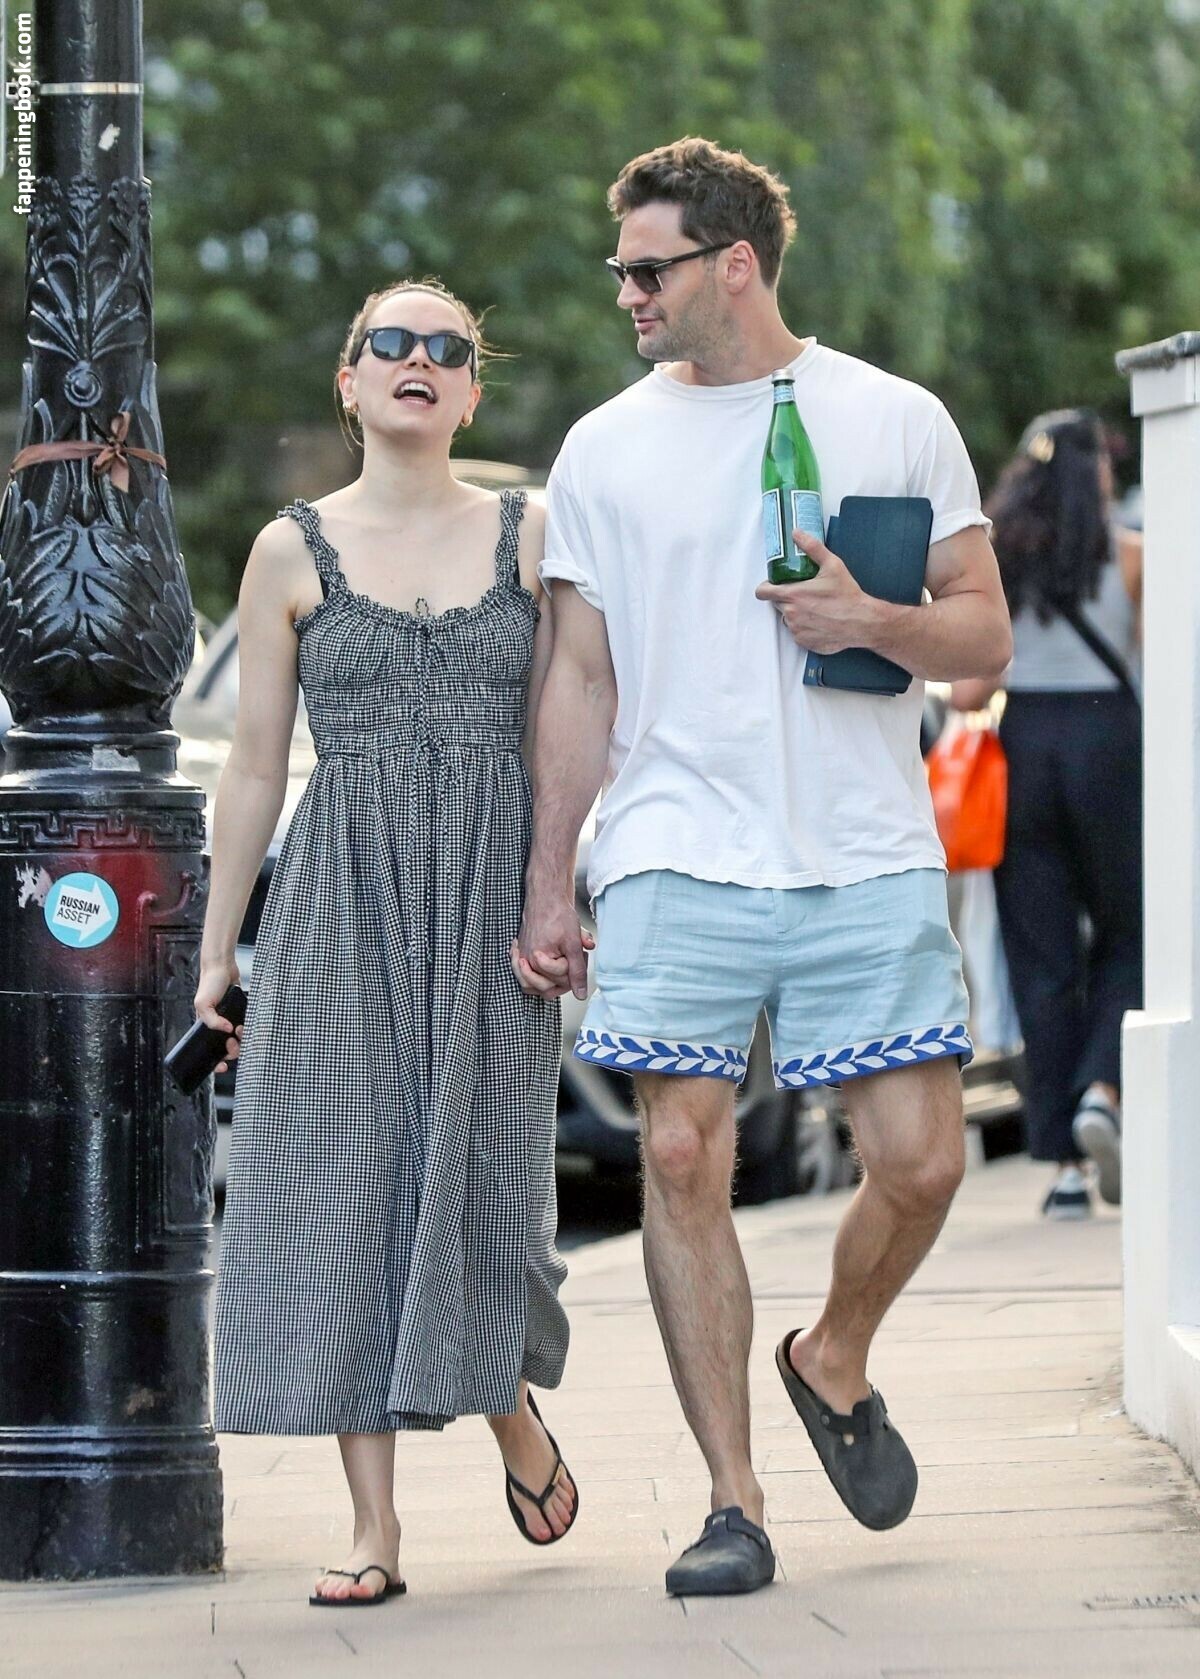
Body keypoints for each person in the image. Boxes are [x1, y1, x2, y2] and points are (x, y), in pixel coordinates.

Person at [512, 137, 1011, 1597]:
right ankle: (733, 1499)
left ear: (735, 263)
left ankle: (831, 1353)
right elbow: (578, 675)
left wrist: (877, 619)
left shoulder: (894, 416)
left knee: (923, 1161)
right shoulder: (604, 448)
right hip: (675, 842)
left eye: (648, 269)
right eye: (618, 270)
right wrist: (552, 874)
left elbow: (981, 634)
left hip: (863, 845)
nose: (626, 293)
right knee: (678, 1151)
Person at [198, 279, 578, 1608]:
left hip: (490, 895)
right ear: (351, 381)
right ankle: (374, 1525)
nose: (421, 359)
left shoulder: (532, 534)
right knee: (349, 1188)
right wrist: (217, 952)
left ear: (470, 391)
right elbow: (254, 764)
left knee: (483, 1188)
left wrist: (561, 886)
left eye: (448, 347)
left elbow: (571, 727)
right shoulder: (288, 551)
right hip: (342, 897)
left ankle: (506, 1400)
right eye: (392, 343)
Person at [953, 409, 1142, 1218]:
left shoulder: (1003, 559)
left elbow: (967, 692)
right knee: (1135, 931)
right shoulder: (1133, 557)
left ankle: (1065, 1165)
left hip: (1023, 751)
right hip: (1112, 748)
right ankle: (1104, 1088)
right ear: (1095, 472)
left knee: (1042, 955)